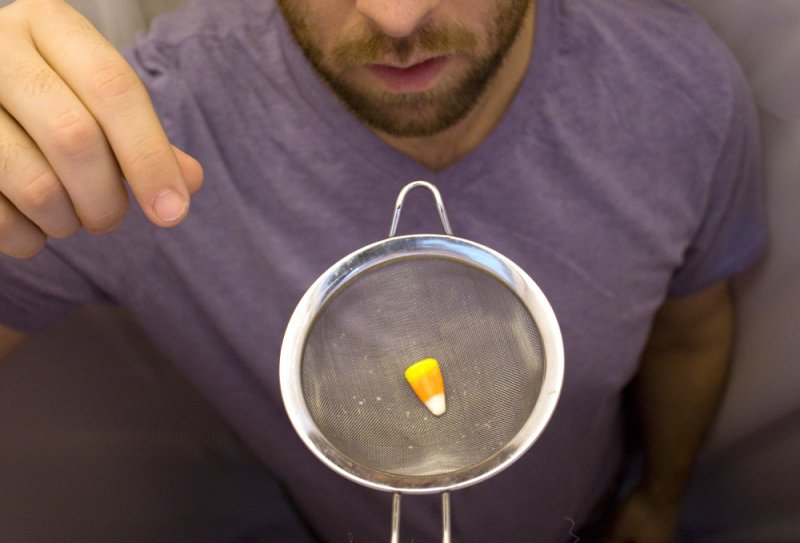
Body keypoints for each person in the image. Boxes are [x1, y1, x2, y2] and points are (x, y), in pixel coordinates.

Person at [0, 0, 766, 541]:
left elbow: (691, 335)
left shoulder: (680, 91)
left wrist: (657, 503)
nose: (396, 17)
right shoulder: (139, 138)